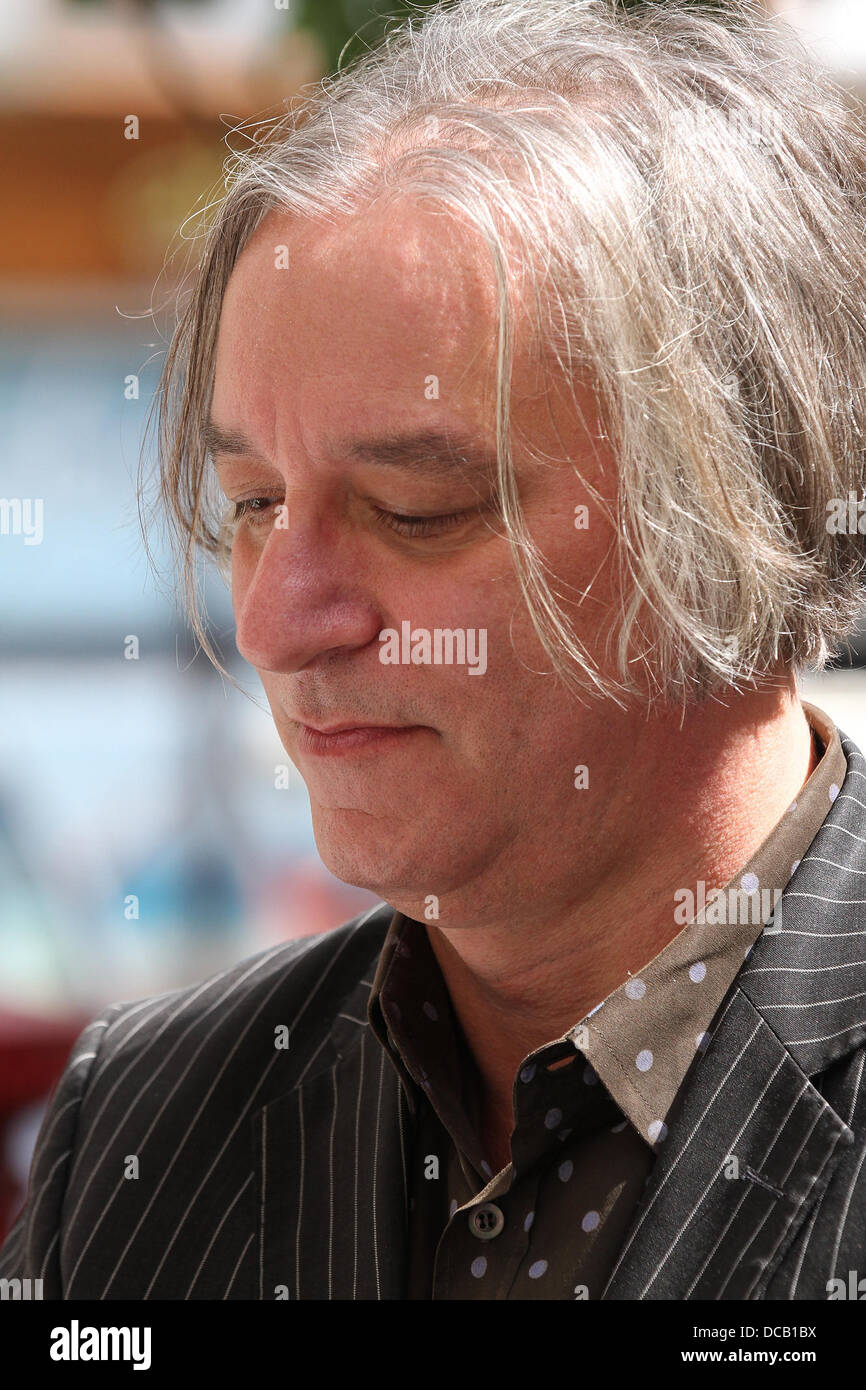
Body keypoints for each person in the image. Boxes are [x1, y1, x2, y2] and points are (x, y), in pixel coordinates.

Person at [3, 0, 866, 1300]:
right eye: (249, 504)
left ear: (733, 509)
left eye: (417, 512)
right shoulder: (135, 1131)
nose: (277, 622)